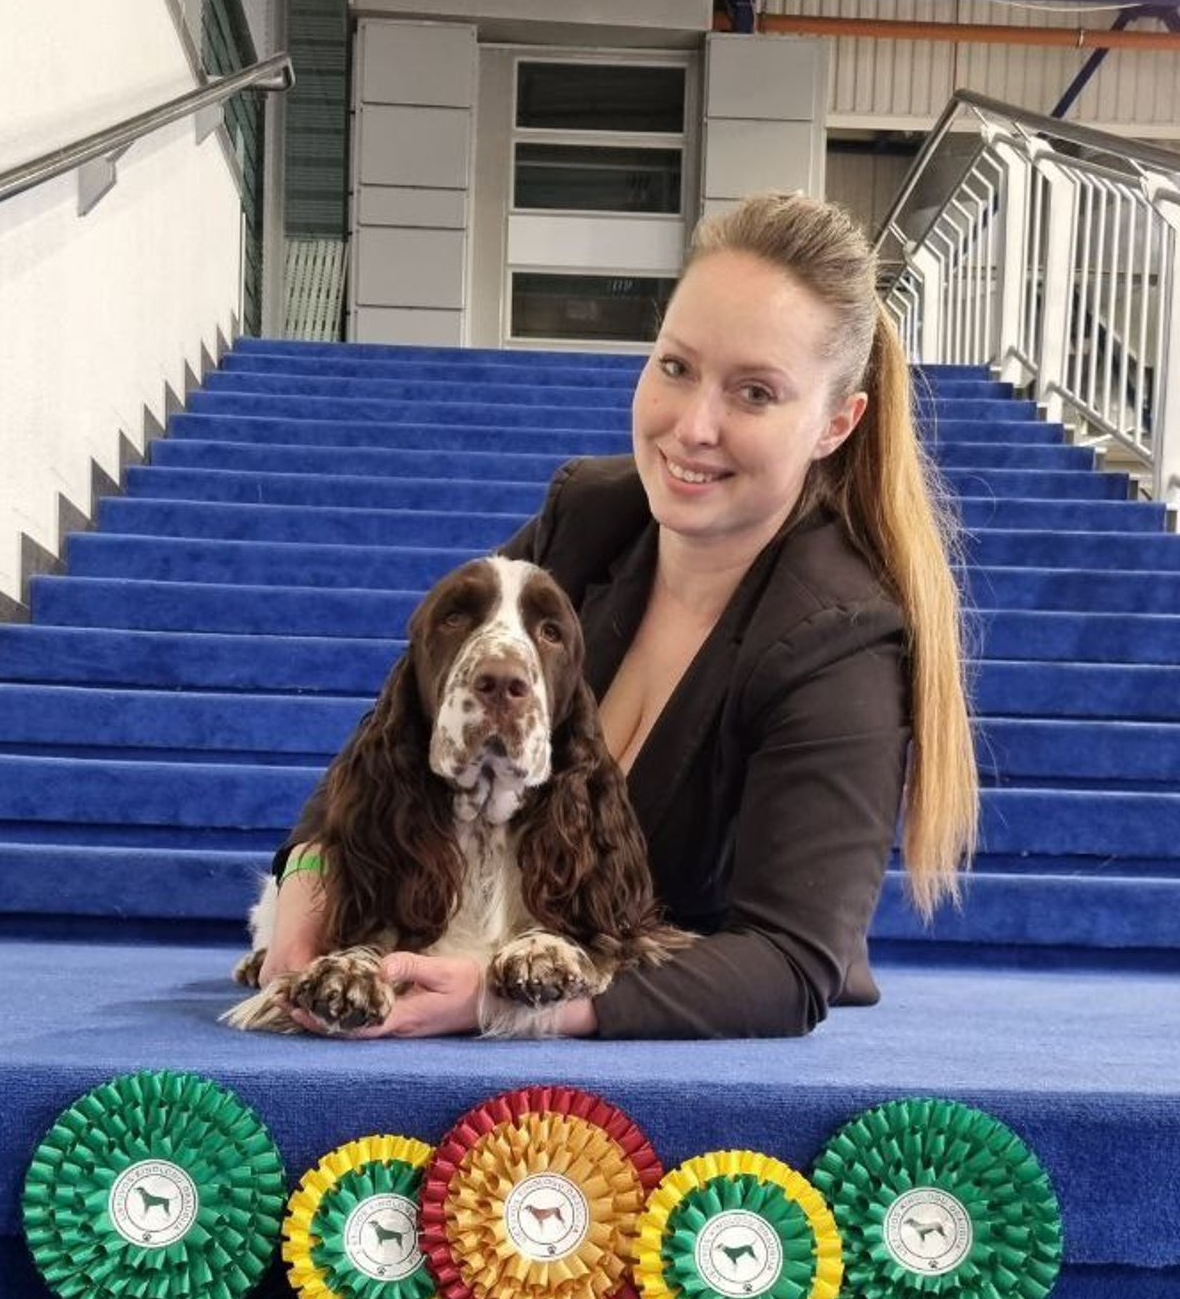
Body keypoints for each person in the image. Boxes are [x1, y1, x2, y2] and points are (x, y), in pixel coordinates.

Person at [259, 192, 977, 1039]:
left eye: (755, 393)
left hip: (676, 1039)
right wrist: (308, 880)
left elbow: (790, 963)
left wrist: (500, 1001)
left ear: (834, 424)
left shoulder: (838, 640)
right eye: (676, 367)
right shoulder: (589, 516)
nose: (694, 426)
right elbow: (401, 717)